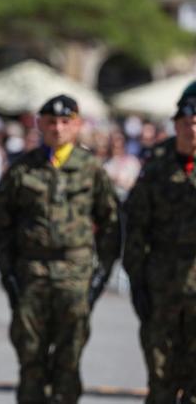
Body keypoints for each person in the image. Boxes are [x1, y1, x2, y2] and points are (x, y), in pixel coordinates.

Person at [0, 94, 121, 404]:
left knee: (69, 359)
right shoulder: (22, 169)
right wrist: (8, 272)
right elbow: (1, 225)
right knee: (30, 359)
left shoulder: (91, 169)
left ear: (77, 125)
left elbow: (111, 223)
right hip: (31, 274)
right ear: (39, 125)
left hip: (74, 277)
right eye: (51, 122)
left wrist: (100, 273)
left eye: (66, 122)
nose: (58, 128)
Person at [123, 81, 196, 404]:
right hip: (162, 286)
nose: (192, 129)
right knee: (162, 381)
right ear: (176, 124)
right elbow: (136, 229)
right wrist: (137, 281)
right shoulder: (156, 168)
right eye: (185, 122)